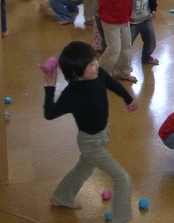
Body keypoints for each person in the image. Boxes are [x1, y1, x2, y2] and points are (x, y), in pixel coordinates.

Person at [43, 40, 137, 222]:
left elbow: (112, 83)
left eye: (95, 61)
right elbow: (50, 113)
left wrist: (128, 98)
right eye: (91, 65)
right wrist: (50, 86)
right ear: (76, 73)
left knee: (83, 169)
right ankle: (121, 219)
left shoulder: (97, 74)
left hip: (103, 133)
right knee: (122, 179)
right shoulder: (72, 93)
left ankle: (61, 197)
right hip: (90, 143)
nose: (97, 66)